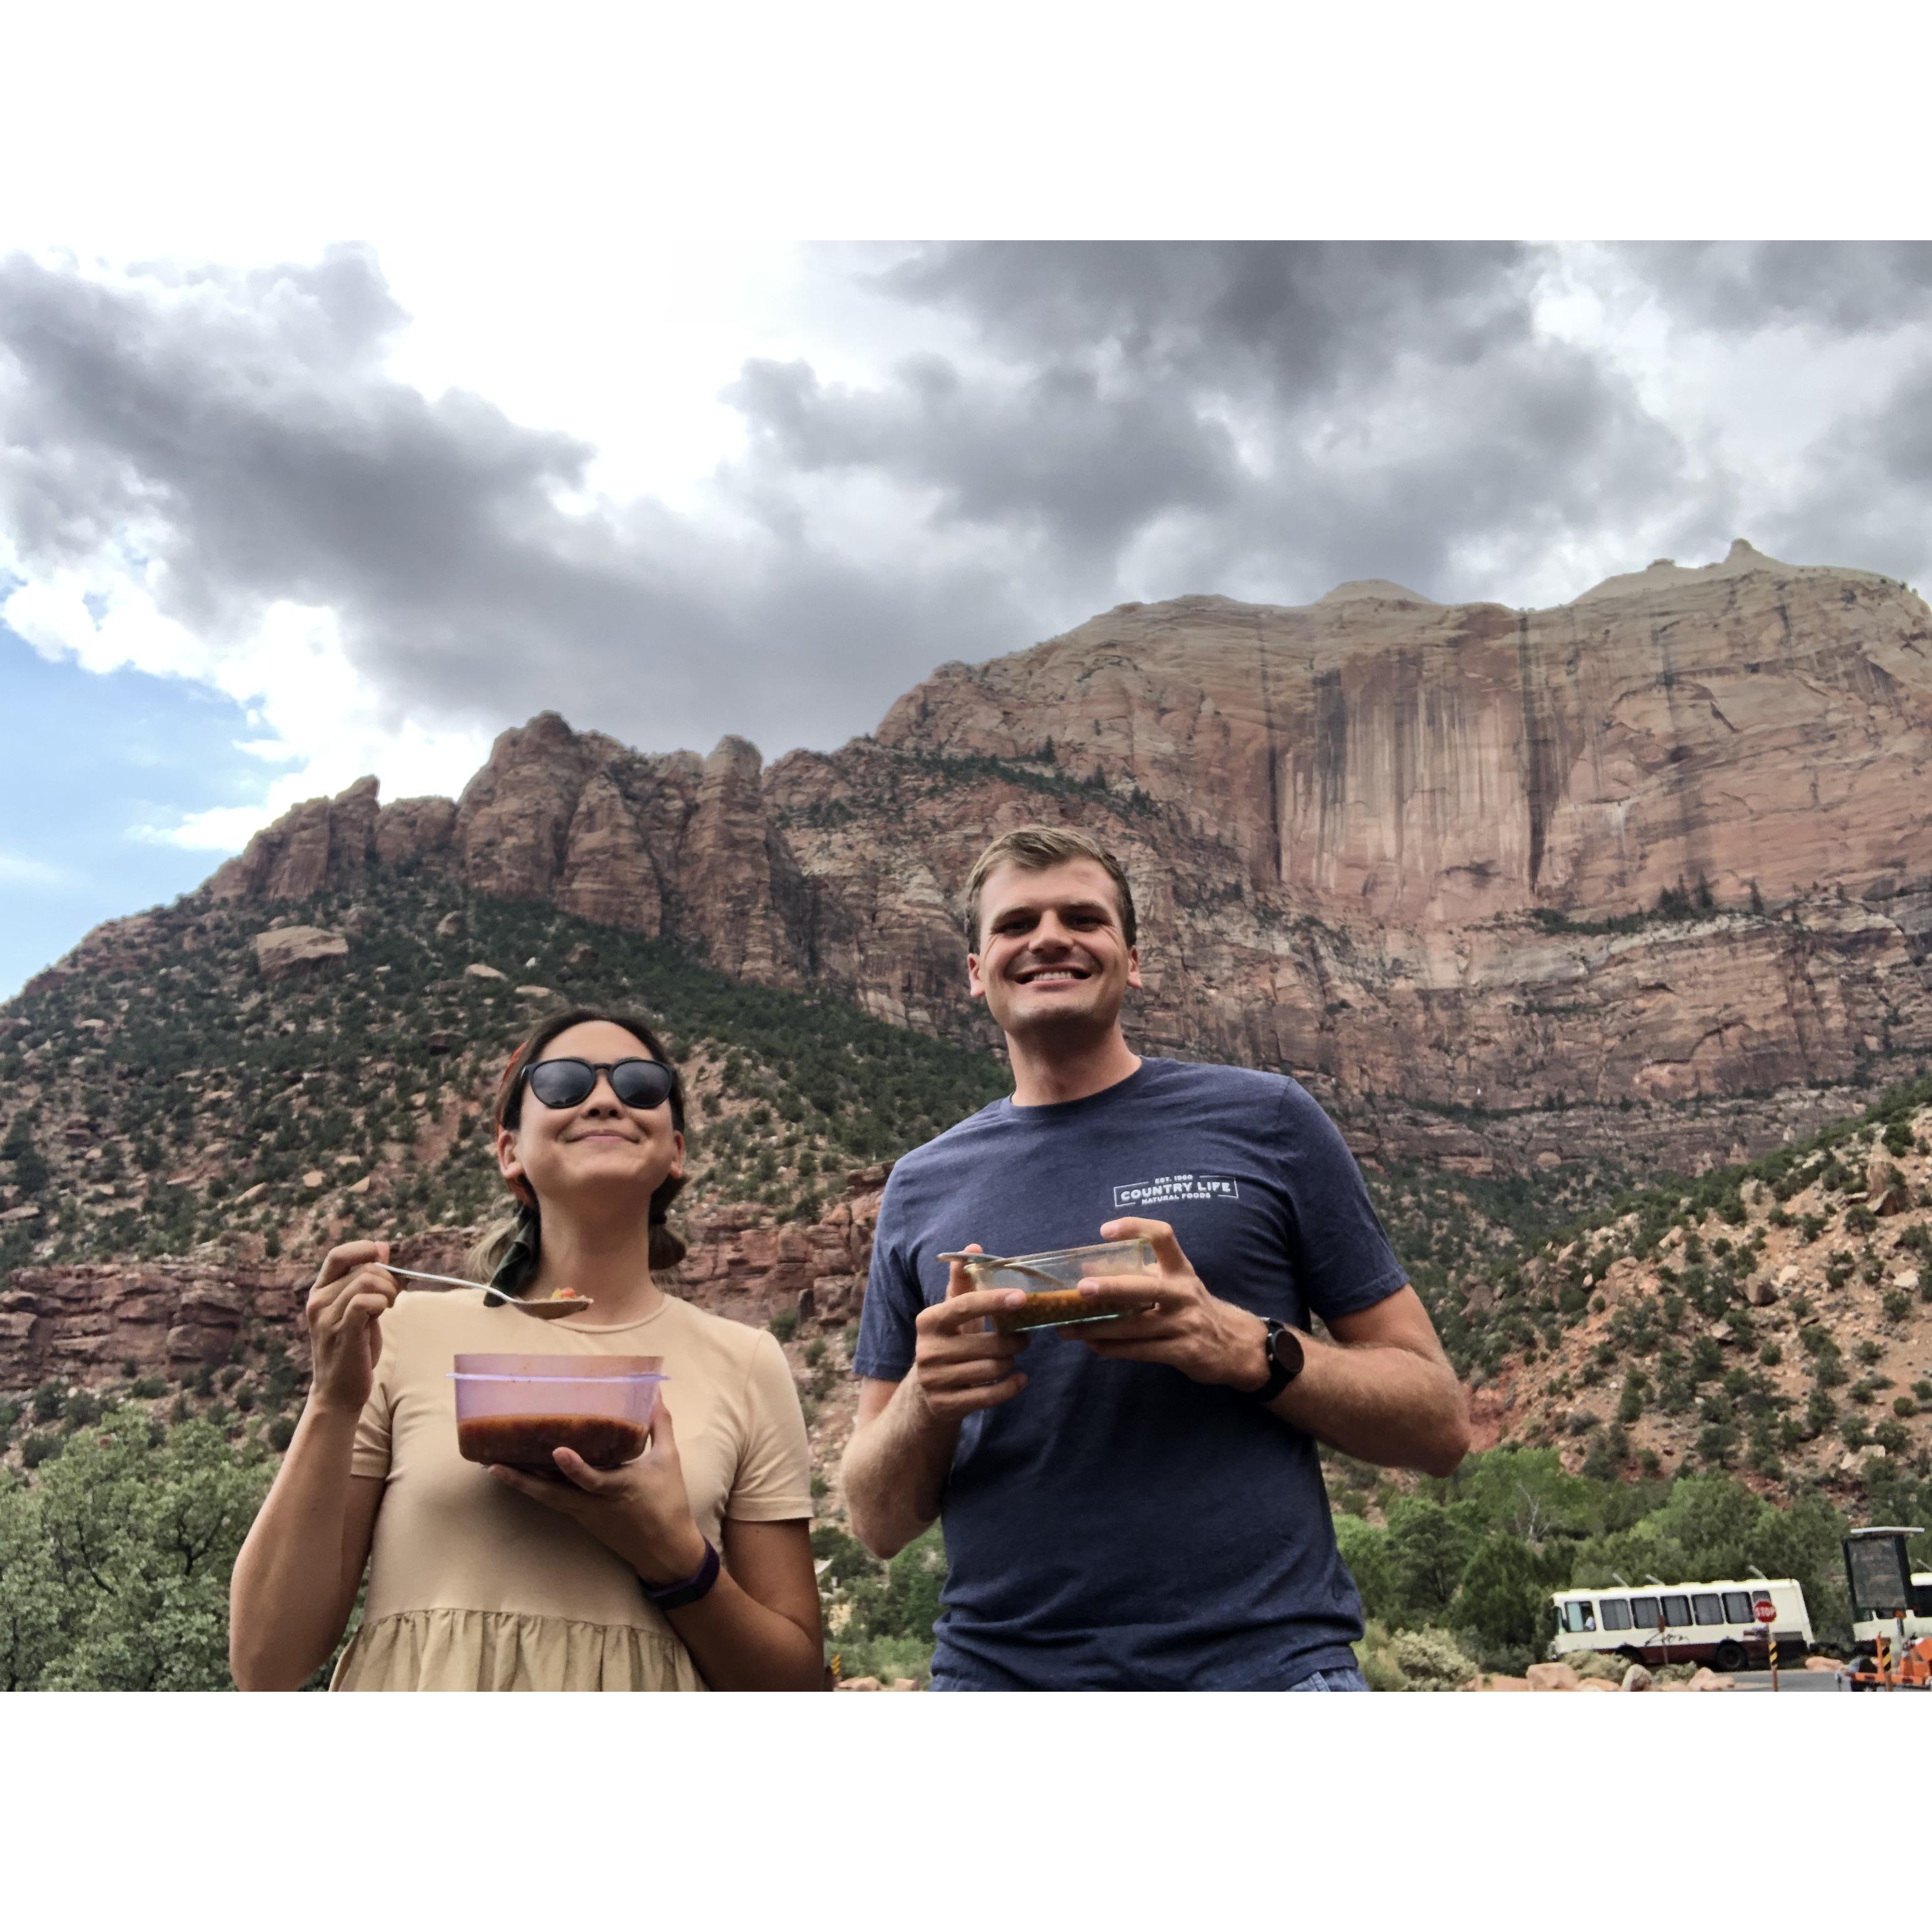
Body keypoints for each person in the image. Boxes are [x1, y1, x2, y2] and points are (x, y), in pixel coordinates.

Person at [840, 825, 1470, 1690]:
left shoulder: (1270, 1121)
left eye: (1083, 918)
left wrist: (1247, 1349)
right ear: (975, 972)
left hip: (1268, 1673)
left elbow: (1439, 1425)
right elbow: (874, 1521)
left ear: (1131, 960)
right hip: (996, 1680)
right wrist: (928, 1397)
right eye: (1016, 923)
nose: (1050, 936)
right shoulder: (920, 1185)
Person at [230, 1007, 823, 1691]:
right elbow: (265, 1664)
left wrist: (672, 1556)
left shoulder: (746, 1361)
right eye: (565, 1083)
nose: (604, 1099)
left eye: (639, 1085)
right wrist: (333, 1398)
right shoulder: (401, 1333)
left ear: (676, 1152)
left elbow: (796, 1687)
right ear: (509, 1150)